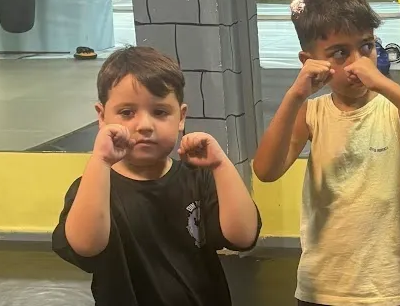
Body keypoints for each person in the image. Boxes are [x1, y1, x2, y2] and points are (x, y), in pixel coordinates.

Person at [253, 0, 400, 306]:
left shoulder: (395, 109)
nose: (357, 63)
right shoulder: (311, 113)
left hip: (390, 287)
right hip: (323, 287)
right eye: (340, 53)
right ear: (309, 61)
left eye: (366, 47)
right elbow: (266, 171)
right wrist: (295, 95)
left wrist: (383, 82)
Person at [52, 46, 261, 306]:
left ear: (181, 117)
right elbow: (86, 247)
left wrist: (221, 165)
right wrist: (100, 161)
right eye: (127, 112)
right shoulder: (94, 187)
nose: (145, 125)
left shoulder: (198, 178)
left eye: (160, 112)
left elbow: (243, 236)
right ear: (102, 117)